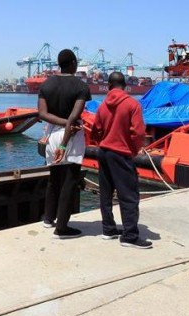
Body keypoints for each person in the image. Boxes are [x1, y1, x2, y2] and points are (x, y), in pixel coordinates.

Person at [91, 72, 152, 249]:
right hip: (122, 153)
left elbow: (96, 131)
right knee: (129, 195)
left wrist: (102, 143)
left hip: (104, 151)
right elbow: (139, 132)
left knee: (106, 192)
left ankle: (108, 229)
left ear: (109, 85)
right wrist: (133, 150)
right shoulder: (132, 104)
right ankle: (130, 235)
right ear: (124, 85)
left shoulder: (102, 107)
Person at [38, 49, 91, 239]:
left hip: (51, 133)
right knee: (70, 181)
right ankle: (62, 228)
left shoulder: (46, 84)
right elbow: (74, 118)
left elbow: (42, 114)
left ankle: (48, 218)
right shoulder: (81, 87)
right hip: (71, 136)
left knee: (54, 178)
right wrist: (64, 141)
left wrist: (59, 124)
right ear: (74, 63)